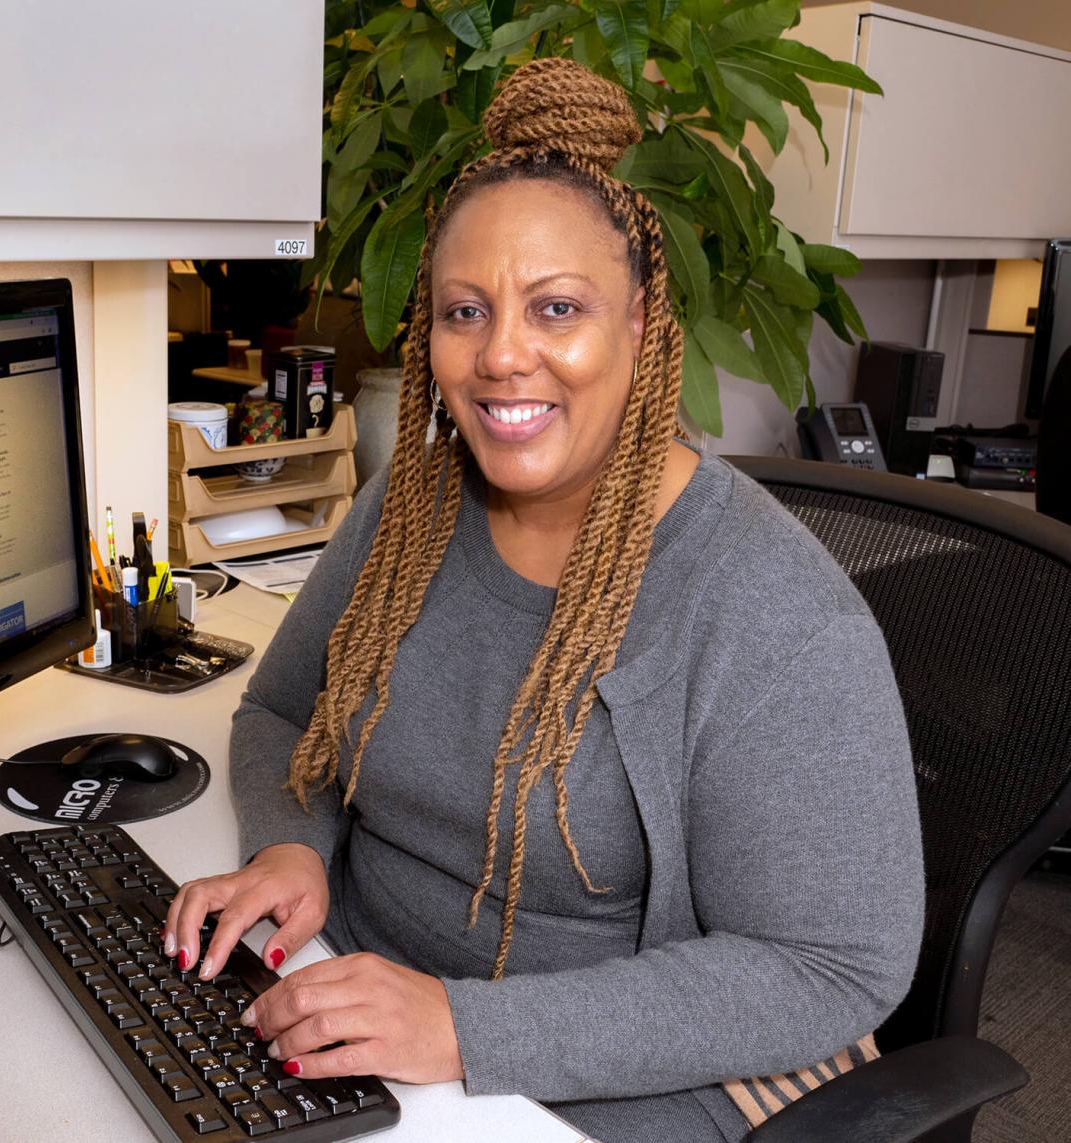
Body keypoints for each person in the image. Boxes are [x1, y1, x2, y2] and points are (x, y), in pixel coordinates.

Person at [164, 58, 923, 1142]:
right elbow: (283, 712)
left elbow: (828, 969)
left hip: (624, 1063)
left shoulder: (770, 612)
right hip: (372, 1001)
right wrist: (290, 844)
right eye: (464, 310)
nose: (501, 355)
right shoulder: (411, 505)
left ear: (642, 323)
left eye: (556, 307)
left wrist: (465, 1031)